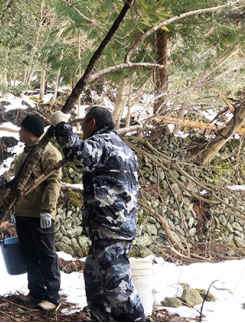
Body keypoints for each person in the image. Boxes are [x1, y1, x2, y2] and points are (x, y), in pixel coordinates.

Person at [50, 107, 146, 321]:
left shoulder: (103, 142)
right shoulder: (124, 148)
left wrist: (61, 125)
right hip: (113, 227)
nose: (81, 130)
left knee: (117, 288)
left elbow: (78, 155)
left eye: (82, 125)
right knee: (95, 280)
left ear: (92, 123)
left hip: (110, 228)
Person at [10, 114, 63, 311]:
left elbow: (53, 183)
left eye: (22, 128)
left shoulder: (48, 153)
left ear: (30, 131)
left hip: (40, 215)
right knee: (29, 255)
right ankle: (36, 291)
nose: (19, 131)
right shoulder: (24, 154)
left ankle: (52, 297)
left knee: (46, 255)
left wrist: (48, 211)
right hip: (23, 212)